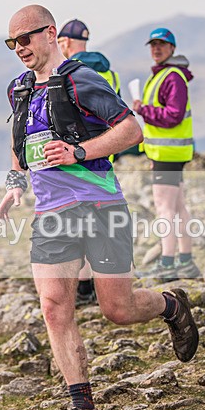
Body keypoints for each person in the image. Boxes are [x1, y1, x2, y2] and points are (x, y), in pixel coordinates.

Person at [0, 5, 199, 410]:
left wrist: (79, 152)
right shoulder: (19, 89)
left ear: (50, 33)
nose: (19, 49)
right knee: (54, 308)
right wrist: (15, 183)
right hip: (51, 216)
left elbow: (130, 131)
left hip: (100, 206)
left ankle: (172, 305)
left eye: (26, 39)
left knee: (117, 310)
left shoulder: (81, 79)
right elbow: (19, 143)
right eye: (12, 42)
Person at [56, 18, 126, 306]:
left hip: (78, 155)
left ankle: (85, 286)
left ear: (65, 42)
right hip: (105, 154)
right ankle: (103, 282)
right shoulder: (109, 72)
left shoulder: (69, 73)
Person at [132, 28, 201, 281]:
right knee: (178, 207)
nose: (156, 49)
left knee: (165, 209)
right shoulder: (164, 74)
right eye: (153, 45)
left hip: (168, 153)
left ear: (172, 48)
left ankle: (168, 264)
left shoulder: (172, 77)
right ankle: (186, 262)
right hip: (169, 153)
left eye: (162, 44)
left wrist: (143, 110)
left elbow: (173, 116)